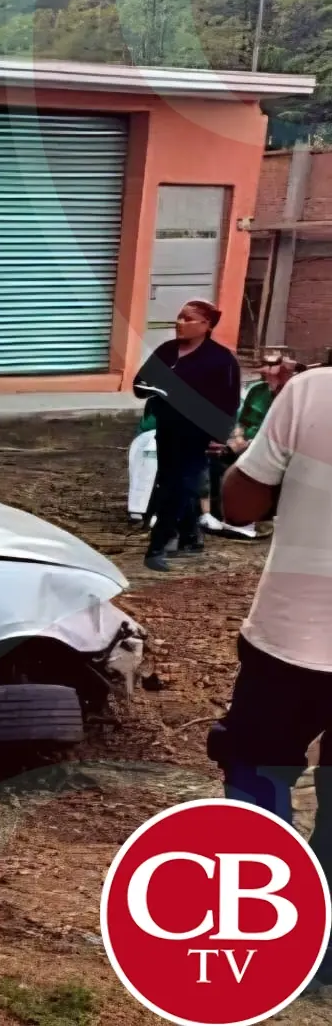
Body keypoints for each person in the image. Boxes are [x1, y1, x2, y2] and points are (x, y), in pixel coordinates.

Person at [212, 366, 332, 984]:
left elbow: (239, 505)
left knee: (257, 770)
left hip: (295, 639)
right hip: (294, 639)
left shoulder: (312, 390)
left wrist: (243, 454)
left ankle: (266, 931)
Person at [132, 299, 241, 571]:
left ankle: (158, 546)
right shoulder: (167, 351)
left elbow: (228, 402)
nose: (180, 323)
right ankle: (192, 538)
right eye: (179, 317)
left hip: (199, 434)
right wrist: (155, 390)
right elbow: (140, 383)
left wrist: (219, 436)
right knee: (172, 482)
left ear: (206, 325)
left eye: (188, 319)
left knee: (178, 488)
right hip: (168, 429)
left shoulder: (221, 359)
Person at [198, 351, 297, 539]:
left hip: (272, 445)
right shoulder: (257, 390)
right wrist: (238, 437)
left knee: (246, 464)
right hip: (245, 441)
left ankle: (247, 519)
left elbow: (284, 428)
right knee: (214, 459)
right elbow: (241, 421)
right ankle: (220, 513)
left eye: (272, 366)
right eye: (264, 365)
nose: (266, 371)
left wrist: (249, 444)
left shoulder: (289, 393)